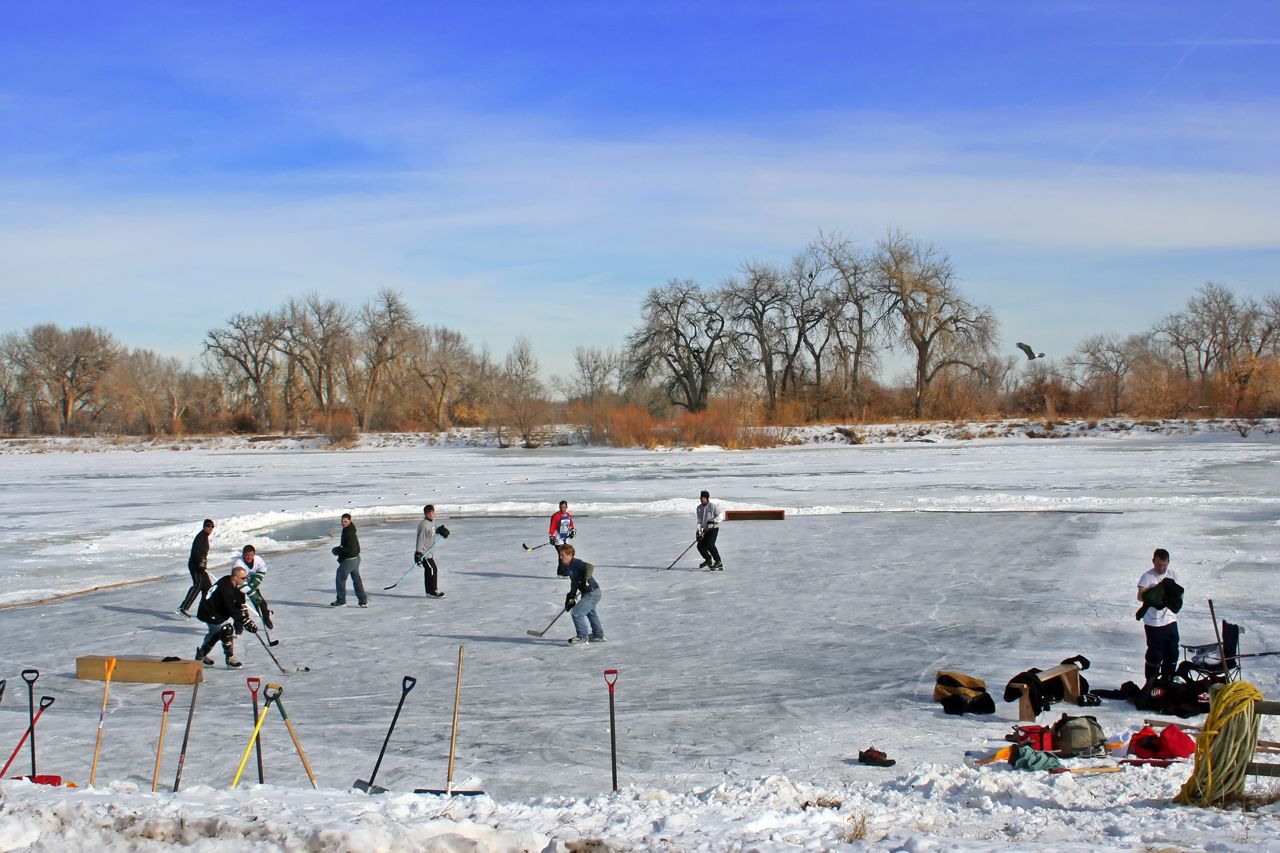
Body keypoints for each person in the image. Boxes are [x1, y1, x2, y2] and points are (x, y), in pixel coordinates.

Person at [195, 564, 257, 668]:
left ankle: (200, 656)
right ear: (235, 577)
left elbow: (238, 601)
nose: (245, 580)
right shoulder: (226, 588)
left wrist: (243, 612)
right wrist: (245, 621)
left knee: (216, 633)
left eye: (246, 577)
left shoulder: (232, 583)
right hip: (208, 612)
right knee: (226, 629)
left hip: (215, 611)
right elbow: (231, 608)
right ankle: (230, 659)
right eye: (243, 578)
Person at [1137, 547, 1182, 686]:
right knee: (1155, 654)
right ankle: (1151, 682)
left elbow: (1178, 595)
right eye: (1158, 564)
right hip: (1153, 623)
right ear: (1153, 561)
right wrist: (1156, 591)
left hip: (1170, 620)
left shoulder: (1172, 575)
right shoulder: (1147, 576)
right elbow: (1140, 596)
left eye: (1164, 564)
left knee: (1173, 651)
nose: (1161, 567)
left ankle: (1168, 680)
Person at [559, 544, 604, 646]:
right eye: (560, 555)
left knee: (576, 613)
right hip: (589, 593)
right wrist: (571, 596)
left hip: (592, 592)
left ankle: (582, 637)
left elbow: (589, 566)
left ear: (570, 554)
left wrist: (586, 579)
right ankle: (598, 635)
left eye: (562, 555)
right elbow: (574, 582)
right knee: (590, 612)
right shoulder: (569, 567)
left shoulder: (576, 563)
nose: (560, 557)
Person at [178, 519, 215, 618]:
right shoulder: (201, 537)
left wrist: (203, 563)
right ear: (204, 526)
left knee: (208, 588)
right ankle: (183, 608)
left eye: (212, 526)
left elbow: (202, 553)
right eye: (208, 526)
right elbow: (196, 552)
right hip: (195, 566)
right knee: (198, 585)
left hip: (200, 565)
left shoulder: (205, 536)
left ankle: (206, 610)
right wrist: (201, 563)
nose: (210, 528)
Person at [331, 512, 368, 607]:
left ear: (350, 521)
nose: (343, 523)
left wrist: (337, 550)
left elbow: (349, 548)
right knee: (356, 580)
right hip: (356, 559)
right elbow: (349, 546)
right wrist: (339, 548)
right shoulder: (350, 528)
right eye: (342, 521)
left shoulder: (348, 532)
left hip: (349, 560)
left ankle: (341, 601)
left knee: (340, 579)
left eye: (345, 521)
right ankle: (363, 601)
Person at [234, 544, 273, 629]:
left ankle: (266, 618)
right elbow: (238, 581)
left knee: (261, 602)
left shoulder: (258, 559)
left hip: (251, 583)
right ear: (243, 555)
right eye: (247, 555)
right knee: (240, 607)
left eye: (251, 555)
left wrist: (256, 580)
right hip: (240, 586)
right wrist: (251, 591)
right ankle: (238, 626)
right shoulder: (238, 564)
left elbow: (263, 569)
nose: (249, 557)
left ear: (254, 554)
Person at [415, 504, 450, 598]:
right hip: (424, 552)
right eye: (428, 513)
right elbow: (420, 539)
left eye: (432, 513)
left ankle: (428, 591)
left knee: (428, 570)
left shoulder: (433, 521)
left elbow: (435, 529)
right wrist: (418, 553)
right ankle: (433, 590)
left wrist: (442, 530)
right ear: (425, 514)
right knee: (432, 569)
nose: (431, 515)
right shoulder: (423, 525)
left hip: (430, 551)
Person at [695, 490, 724, 571]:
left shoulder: (712, 506)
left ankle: (718, 561)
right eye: (701, 498)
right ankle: (708, 560)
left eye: (704, 498)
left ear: (707, 498)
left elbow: (721, 516)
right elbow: (699, 520)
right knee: (700, 546)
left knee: (710, 544)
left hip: (713, 528)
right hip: (705, 530)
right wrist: (699, 531)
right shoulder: (699, 508)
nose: (702, 499)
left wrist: (714, 521)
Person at [548, 500, 576, 576]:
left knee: (566, 554)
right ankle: (563, 573)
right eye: (560, 507)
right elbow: (552, 527)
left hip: (565, 539)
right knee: (563, 555)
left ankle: (562, 572)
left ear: (566, 507)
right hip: (558, 539)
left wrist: (572, 531)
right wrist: (552, 537)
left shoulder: (568, 515)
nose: (562, 509)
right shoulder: (555, 516)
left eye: (563, 507)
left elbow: (571, 525)